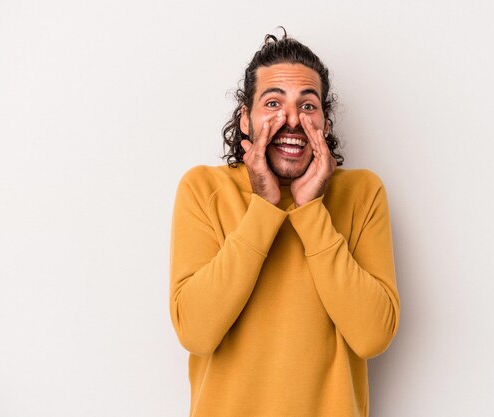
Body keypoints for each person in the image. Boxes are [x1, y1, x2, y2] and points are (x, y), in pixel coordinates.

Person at [169, 29, 400, 417]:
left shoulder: (363, 193)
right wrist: (264, 207)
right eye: (273, 102)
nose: (291, 120)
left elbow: (372, 337)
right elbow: (196, 332)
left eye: (308, 106)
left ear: (325, 124)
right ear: (245, 119)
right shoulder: (202, 189)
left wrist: (311, 212)